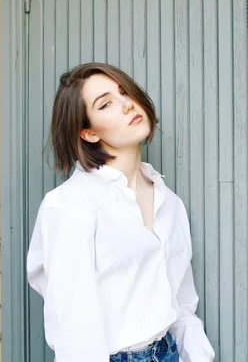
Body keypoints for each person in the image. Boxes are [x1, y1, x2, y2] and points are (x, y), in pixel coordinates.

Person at [26, 63, 215, 362]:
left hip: (169, 353)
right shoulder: (69, 206)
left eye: (125, 92)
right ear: (88, 133)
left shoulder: (170, 202)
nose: (128, 104)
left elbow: (181, 303)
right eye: (106, 103)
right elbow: (75, 331)